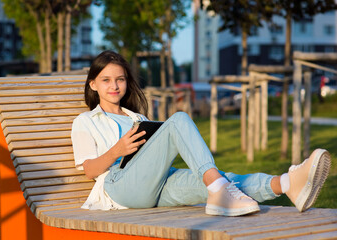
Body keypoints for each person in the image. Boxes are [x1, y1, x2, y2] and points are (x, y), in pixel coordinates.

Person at [71, 50, 331, 217]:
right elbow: (90, 170)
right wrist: (117, 150)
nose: (114, 85)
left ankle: (286, 184)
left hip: (158, 185)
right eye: (106, 80)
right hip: (119, 188)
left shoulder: (137, 118)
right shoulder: (85, 121)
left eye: (120, 79)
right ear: (93, 84)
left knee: (221, 181)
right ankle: (217, 187)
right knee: (180, 120)